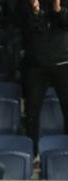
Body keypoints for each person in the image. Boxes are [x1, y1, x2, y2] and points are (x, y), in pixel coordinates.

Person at [17, 0, 68, 154]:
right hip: (36, 66)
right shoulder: (25, 4)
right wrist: (35, 10)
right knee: (32, 112)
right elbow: (24, 29)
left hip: (63, 64)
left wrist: (57, 8)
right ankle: (32, 153)